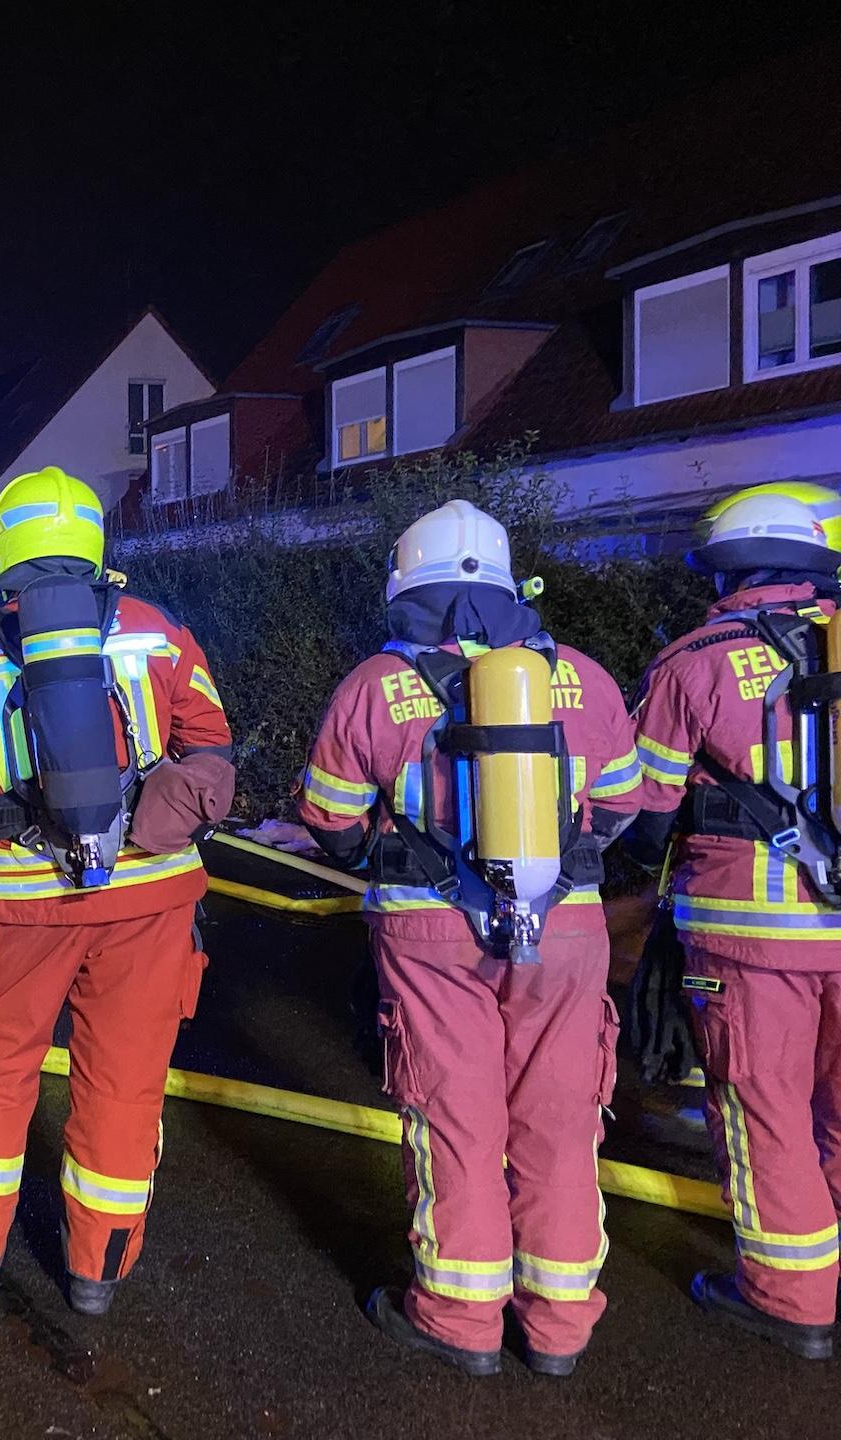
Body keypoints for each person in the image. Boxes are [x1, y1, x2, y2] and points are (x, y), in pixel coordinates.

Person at [297, 499, 640, 1377]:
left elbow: (330, 820)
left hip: (431, 933)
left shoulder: (374, 685)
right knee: (562, 1120)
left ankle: (460, 1317)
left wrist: (390, 843)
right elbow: (627, 804)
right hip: (564, 928)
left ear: (406, 585)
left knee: (456, 1120)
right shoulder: (585, 679)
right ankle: (560, 1327)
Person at [0, 466, 232, 1316]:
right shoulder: (157, 634)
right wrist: (148, 829)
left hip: (18, 906)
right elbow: (213, 753)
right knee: (123, 1083)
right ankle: (99, 1273)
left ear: (3, 555)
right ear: (92, 547)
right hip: (150, 906)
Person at [625, 482, 841, 1361]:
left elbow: (643, 806)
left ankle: (792, 1300)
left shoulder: (696, 659)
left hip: (753, 927)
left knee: (764, 1106)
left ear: (731, 567)